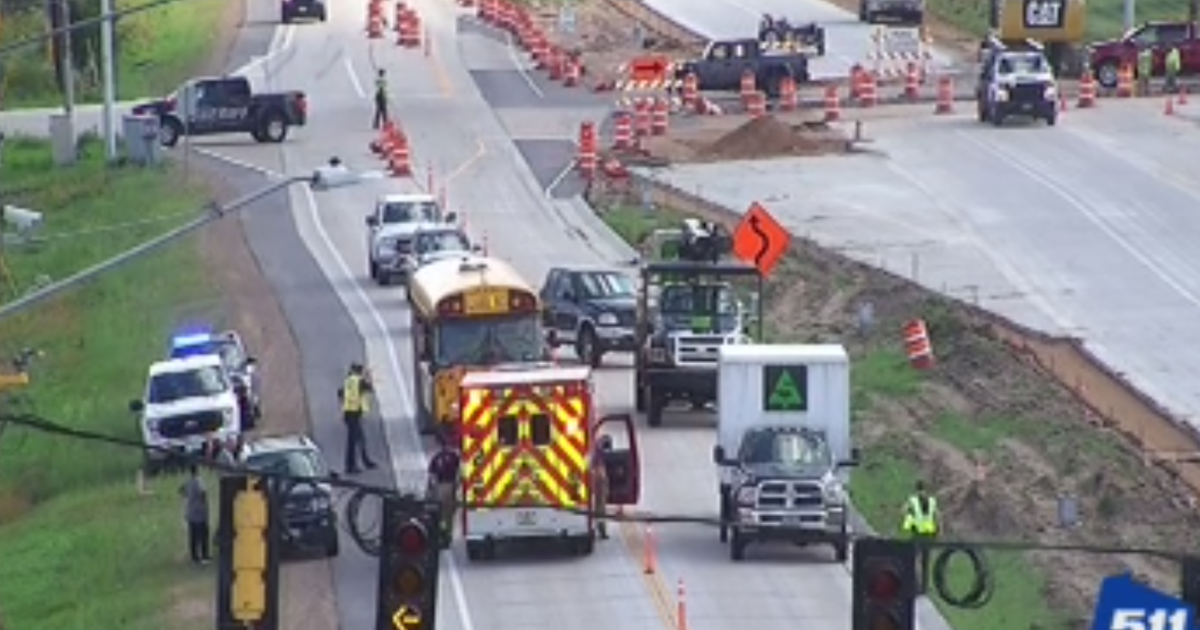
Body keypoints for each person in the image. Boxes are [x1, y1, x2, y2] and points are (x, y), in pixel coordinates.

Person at [338, 362, 377, 475]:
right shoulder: (359, 380)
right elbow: (370, 388)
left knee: (359, 439)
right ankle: (351, 466)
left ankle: (365, 462)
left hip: (349, 414)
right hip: (354, 415)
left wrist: (345, 403)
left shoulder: (349, 380)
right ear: (359, 371)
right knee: (353, 441)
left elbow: (340, 393)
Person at [902, 480, 940, 593]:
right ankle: (924, 587)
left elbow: (904, 511)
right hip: (929, 536)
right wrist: (938, 533)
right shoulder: (932, 501)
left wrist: (910, 520)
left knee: (912, 559)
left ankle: (916, 584)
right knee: (925, 562)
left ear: (916, 489)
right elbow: (938, 518)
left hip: (917, 535)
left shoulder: (912, 501)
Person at [428, 429, 461, 544]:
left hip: (440, 488)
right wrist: (456, 486)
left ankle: (441, 534)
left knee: (440, 514)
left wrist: (432, 490)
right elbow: (459, 473)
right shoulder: (454, 457)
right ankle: (447, 535)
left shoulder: (436, 458)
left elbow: (432, 477)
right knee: (449, 515)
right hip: (451, 487)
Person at [179, 464, 211, 564]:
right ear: (197, 471)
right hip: (199, 513)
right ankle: (204, 555)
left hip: (190, 512)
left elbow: (181, 490)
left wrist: (188, 496)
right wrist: (205, 505)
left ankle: (195, 556)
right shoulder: (199, 481)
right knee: (203, 535)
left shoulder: (188, 482)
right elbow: (203, 493)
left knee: (193, 536)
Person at [592, 435, 613, 539]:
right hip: (599, 477)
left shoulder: (594, 446)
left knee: (597, 505)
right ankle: (602, 530)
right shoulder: (599, 450)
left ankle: (598, 528)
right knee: (601, 506)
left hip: (595, 475)